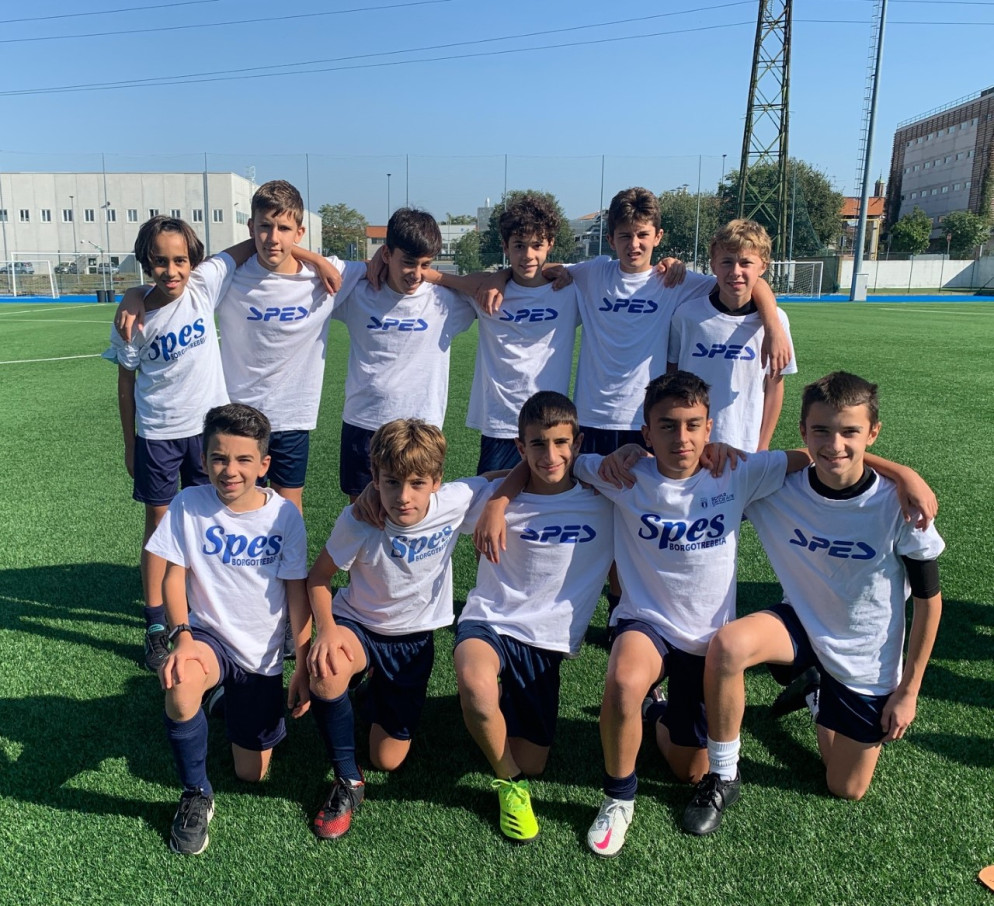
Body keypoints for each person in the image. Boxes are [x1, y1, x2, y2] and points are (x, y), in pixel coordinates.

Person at [682, 371, 944, 835]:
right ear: (803, 430)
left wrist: (908, 691)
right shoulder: (777, 487)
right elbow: (685, 467)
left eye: (850, 432)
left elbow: (929, 603)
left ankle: (814, 691)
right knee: (729, 645)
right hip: (800, 624)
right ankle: (723, 774)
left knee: (846, 787)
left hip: (865, 656)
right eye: (821, 430)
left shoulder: (899, 505)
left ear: (873, 433)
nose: (835, 444)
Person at [568, 371, 804, 857]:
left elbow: (811, 457)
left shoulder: (735, 471)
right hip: (646, 621)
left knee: (689, 769)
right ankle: (618, 798)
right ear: (646, 432)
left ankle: (656, 710)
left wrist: (902, 475)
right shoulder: (624, 475)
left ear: (709, 428)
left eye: (694, 425)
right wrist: (616, 454)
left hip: (707, 641)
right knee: (623, 682)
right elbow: (558, 462)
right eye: (668, 426)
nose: (682, 437)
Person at [547, 188, 791, 618]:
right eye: (625, 235)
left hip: (649, 426)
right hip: (594, 417)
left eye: (643, 235)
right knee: (594, 519)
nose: (634, 244)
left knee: (650, 525)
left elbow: (746, 278)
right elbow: (538, 267)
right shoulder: (591, 273)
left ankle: (634, 608)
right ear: (610, 238)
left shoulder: (677, 282)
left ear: (658, 236)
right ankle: (588, 605)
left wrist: (772, 320)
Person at [116, 180, 357, 515]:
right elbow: (176, 286)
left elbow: (385, 268)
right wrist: (135, 294)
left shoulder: (327, 276)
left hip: (293, 416)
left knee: (287, 507)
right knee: (234, 508)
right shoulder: (230, 277)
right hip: (238, 414)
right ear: (251, 227)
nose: (273, 237)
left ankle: (286, 556)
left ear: (299, 232)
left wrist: (315, 259)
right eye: (265, 227)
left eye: (284, 229)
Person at [305, 419, 493, 840]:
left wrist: (496, 506)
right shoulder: (360, 519)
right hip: (359, 625)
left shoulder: (453, 501)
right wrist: (327, 630)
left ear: (437, 482)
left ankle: (372, 690)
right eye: (391, 482)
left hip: (413, 641)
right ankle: (347, 780)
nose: (403, 497)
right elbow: (318, 578)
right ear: (374, 478)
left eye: (417, 483)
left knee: (387, 759)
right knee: (328, 671)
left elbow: (502, 476)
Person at [144, 404, 311, 855]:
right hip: (208, 638)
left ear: (264, 464)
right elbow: (173, 576)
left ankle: (223, 698)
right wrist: (181, 637)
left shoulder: (284, 516)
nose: (229, 470)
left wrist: (302, 661)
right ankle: (196, 793)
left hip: (261, 655)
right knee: (181, 684)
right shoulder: (189, 504)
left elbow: (297, 593)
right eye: (219, 458)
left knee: (251, 773)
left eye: (243, 460)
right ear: (203, 459)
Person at [453, 391, 613, 843]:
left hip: (545, 642)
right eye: (537, 445)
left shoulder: (606, 501)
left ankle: (497, 710)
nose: (550, 455)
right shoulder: (490, 497)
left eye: (561, 443)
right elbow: (425, 494)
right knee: (475, 682)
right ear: (520, 448)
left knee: (535, 760)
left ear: (578, 443)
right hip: (490, 620)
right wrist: (497, 498)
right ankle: (510, 784)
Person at [105, 215, 256, 671]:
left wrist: (317, 261)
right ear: (145, 262)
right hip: (157, 433)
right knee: (159, 524)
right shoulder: (133, 319)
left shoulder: (203, 286)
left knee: (209, 517)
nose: (171, 271)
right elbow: (126, 385)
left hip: (208, 433)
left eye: (180, 260)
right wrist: (130, 445)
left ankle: (201, 608)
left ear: (194, 261)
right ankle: (155, 623)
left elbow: (251, 244)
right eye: (159, 261)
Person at [330, 209, 476, 500]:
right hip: (364, 421)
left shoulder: (446, 301)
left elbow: (491, 283)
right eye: (408, 262)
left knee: (414, 515)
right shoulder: (359, 293)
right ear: (386, 254)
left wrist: (437, 276)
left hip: (421, 428)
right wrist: (366, 264)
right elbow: (311, 267)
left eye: (426, 265)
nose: (417, 274)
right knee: (363, 514)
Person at [668, 218, 797, 452]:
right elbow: (671, 375)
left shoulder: (776, 322)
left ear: (763, 266)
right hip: (693, 445)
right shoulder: (687, 315)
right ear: (713, 265)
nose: (735, 272)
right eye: (727, 262)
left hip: (745, 444)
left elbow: (774, 387)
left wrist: (762, 445)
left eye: (746, 263)